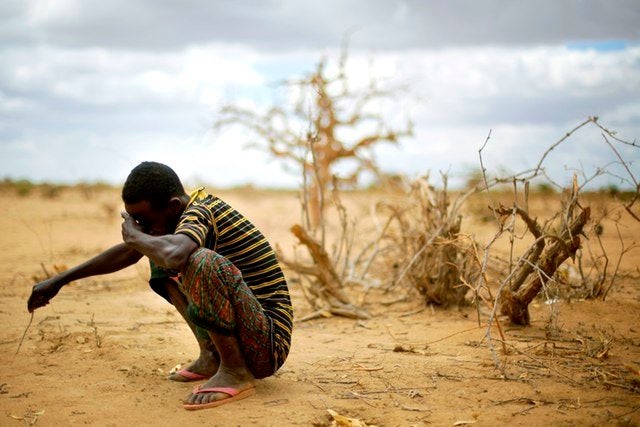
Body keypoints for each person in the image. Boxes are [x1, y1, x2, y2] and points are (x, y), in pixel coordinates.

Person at [27, 161, 293, 410]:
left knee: (196, 259)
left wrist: (135, 236)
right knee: (160, 253)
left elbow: (171, 253)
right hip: (250, 332)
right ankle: (212, 356)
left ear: (174, 206)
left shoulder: (200, 211)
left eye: (144, 219)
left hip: (268, 344)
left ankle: (235, 372)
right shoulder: (178, 221)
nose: (140, 226)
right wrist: (59, 280)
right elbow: (131, 251)